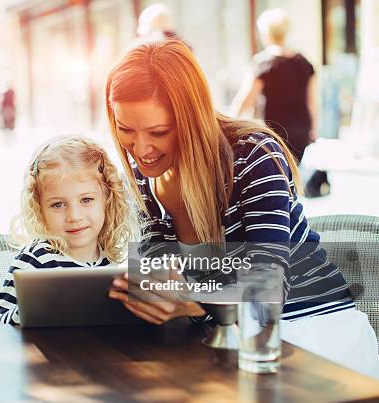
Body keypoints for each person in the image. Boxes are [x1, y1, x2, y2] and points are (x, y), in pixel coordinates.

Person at [104, 38, 379, 377]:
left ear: (191, 118)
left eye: (159, 131)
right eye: (125, 129)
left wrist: (189, 292)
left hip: (312, 332)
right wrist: (150, 292)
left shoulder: (251, 155)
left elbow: (268, 282)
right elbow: (163, 276)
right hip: (222, 337)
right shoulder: (143, 179)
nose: (141, 148)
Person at [0, 135, 137, 325]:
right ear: (39, 208)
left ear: (107, 200)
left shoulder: (108, 258)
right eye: (58, 204)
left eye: (86, 200)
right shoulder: (36, 258)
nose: (74, 216)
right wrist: (27, 309)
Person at [230, 9, 316, 163]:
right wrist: (313, 129)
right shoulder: (305, 63)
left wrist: (227, 127)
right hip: (301, 132)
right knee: (294, 176)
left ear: (265, 34)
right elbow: (312, 101)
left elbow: (245, 100)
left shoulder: (263, 64)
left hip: (274, 133)